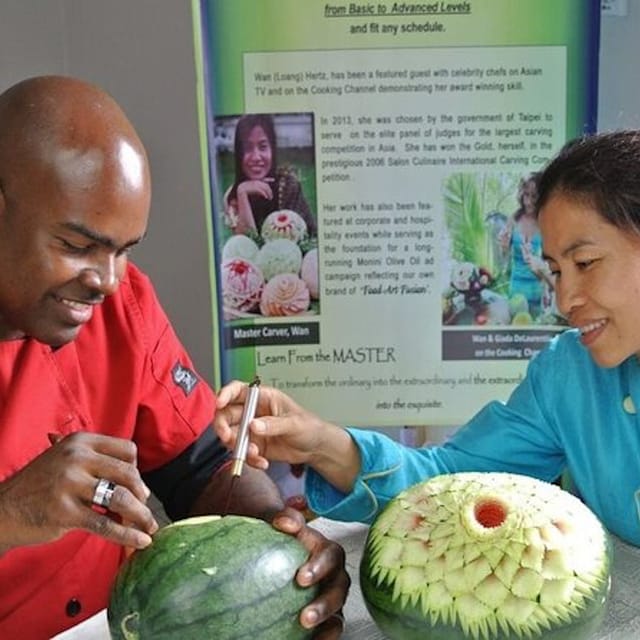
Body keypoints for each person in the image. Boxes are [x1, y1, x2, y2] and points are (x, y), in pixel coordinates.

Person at [0, 75, 348, 639]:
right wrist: (10, 514)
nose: (108, 281)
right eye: (75, 245)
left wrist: (275, 542)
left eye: (123, 249)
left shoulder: (123, 305)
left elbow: (203, 467)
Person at [214, 129, 640, 548]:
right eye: (558, 271)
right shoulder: (566, 375)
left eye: (585, 262)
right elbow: (451, 481)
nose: (566, 300)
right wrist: (323, 444)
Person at [223, 113, 317, 237]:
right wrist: (242, 193)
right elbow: (246, 245)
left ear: (272, 149)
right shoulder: (232, 196)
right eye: (247, 148)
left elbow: (301, 241)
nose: (256, 157)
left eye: (263, 147)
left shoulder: (287, 186)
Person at [499, 172, 553, 318]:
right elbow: (504, 264)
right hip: (516, 288)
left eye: (533, 196)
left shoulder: (546, 222)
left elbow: (551, 265)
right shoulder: (514, 220)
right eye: (525, 195)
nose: (528, 201)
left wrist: (548, 290)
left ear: (541, 197)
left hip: (538, 289)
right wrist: (503, 248)